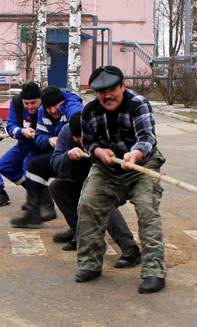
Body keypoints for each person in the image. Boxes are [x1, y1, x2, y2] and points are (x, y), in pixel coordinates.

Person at [76, 65, 166, 294]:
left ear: (123, 86)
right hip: (107, 168)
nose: (108, 96)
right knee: (88, 203)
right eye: (101, 92)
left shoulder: (139, 104)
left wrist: (135, 154)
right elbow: (88, 142)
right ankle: (90, 264)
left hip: (141, 166)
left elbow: (147, 137)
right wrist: (98, 152)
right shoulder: (90, 112)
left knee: (147, 209)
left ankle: (154, 271)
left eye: (113, 89)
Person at [49, 111, 141, 268]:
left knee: (101, 200)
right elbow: (55, 163)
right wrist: (68, 156)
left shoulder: (106, 132)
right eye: (76, 138)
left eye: (82, 137)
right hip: (84, 184)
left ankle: (130, 247)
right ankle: (80, 234)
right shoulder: (66, 132)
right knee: (57, 186)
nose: (79, 141)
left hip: (114, 184)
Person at [10, 85, 83, 227]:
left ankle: (78, 227)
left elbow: (78, 130)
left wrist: (62, 142)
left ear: (62, 101)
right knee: (34, 166)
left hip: (79, 157)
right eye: (48, 107)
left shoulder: (73, 108)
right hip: (60, 154)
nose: (53, 110)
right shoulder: (43, 111)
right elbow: (39, 137)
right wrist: (49, 140)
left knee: (65, 184)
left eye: (56, 106)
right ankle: (34, 213)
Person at [0, 81, 42, 190]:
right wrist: (22, 131)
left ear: (40, 99)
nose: (30, 107)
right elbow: (10, 126)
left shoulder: (47, 105)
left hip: (41, 145)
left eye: (33, 103)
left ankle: (43, 201)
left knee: (29, 167)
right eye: (26, 103)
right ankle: (34, 192)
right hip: (24, 143)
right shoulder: (16, 102)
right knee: (4, 166)